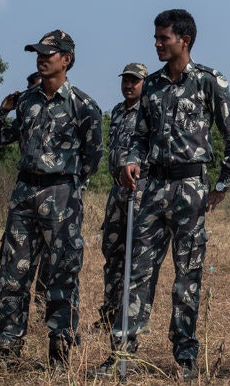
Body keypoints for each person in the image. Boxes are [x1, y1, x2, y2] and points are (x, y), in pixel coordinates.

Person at [94, 9, 230, 381]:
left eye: (163, 38)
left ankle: (185, 356)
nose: (157, 44)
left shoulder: (210, 81)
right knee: (137, 273)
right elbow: (140, 135)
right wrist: (131, 160)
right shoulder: (154, 86)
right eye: (156, 37)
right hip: (152, 188)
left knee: (187, 276)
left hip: (191, 190)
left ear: (185, 40)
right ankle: (121, 354)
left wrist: (221, 187)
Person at [0, 30, 103, 368]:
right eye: (37, 53)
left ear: (66, 60)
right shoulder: (26, 101)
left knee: (62, 273)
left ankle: (60, 350)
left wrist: (68, 186)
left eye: (47, 54)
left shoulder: (84, 106)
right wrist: (0, 111)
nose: (40, 58)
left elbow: (93, 157)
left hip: (62, 196)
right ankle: (8, 351)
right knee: (13, 273)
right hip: (24, 193)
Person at [94, 62, 162, 330]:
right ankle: (110, 312)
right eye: (125, 80)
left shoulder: (151, 112)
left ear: (145, 83)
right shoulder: (118, 112)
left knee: (140, 257)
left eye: (134, 81)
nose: (128, 85)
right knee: (112, 252)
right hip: (117, 191)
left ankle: (135, 317)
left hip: (141, 189)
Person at [0, 70, 47, 328]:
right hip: (26, 197)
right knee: (13, 260)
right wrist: (2, 111)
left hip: (56, 199)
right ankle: (3, 315)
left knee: (52, 266)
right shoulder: (24, 119)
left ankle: (45, 318)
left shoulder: (69, 109)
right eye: (30, 90)